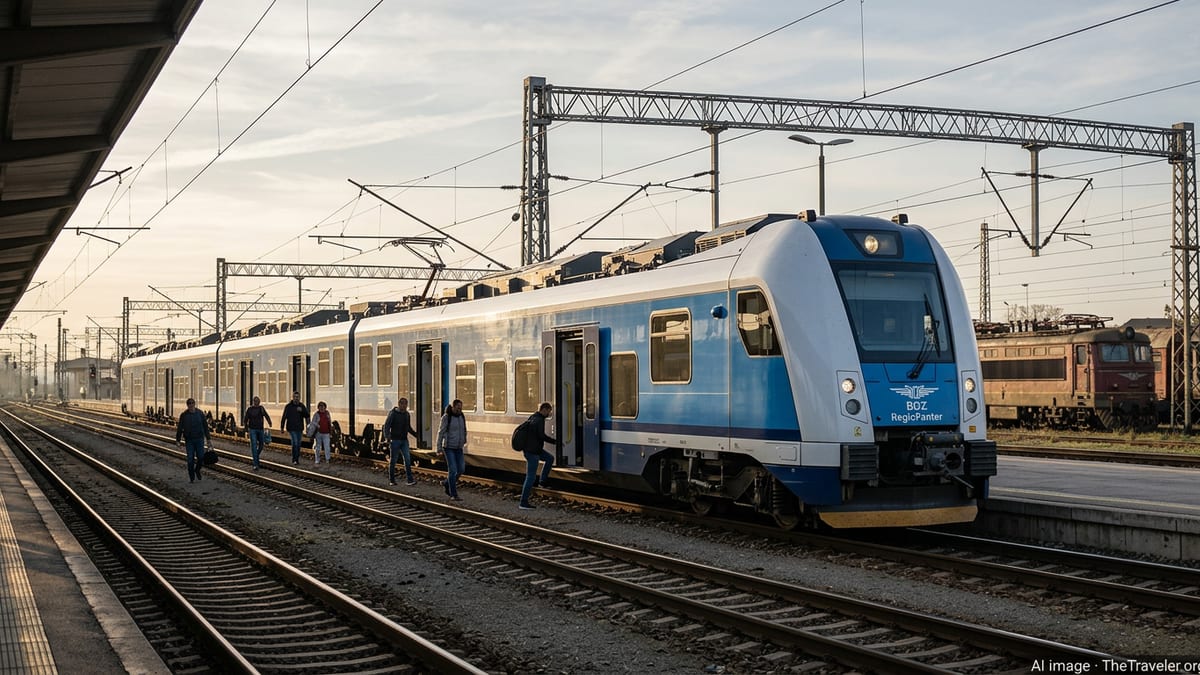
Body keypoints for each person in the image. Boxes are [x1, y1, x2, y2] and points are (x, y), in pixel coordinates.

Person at [518, 402, 558, 510]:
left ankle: (542, 481)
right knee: (530, 477)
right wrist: (555, 441)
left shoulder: (533, 417)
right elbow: (541, 436)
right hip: (533, 452)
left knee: (549, 458)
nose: (549, 413)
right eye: (549, 411)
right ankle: (523, 502)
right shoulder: (539, 420)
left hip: (533, 450)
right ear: (544, 410)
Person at [436, 399, 467, 501]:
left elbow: (464, 429)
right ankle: (453, 494)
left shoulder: (461, 416)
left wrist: (464, 439)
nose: (459, 410)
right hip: (449, 447)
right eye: (458, 408)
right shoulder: (446, 417)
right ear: (453, 407)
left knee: (461, 469)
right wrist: (439, 448)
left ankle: (446, 483)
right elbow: (440, 432)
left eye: (460, 408)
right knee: (453, 470)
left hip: (458, 447)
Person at [383, 397, 419, 486]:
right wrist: (387, 437)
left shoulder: (407, 414)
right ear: (399, 404)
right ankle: (392, 480)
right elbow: (386, 426)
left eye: (405, 404)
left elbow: (408, 427)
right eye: (402, 404)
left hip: (404, 440)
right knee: (393, 460)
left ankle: (409, 480)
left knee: (407, 460)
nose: (404, 406)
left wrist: (416, 435)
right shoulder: (393, 414)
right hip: (394, 440)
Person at [175, 398, 211, 483]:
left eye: (192, 403)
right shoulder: (184, 415)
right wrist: (178, 440)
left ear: (195, 404)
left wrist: (208, 439)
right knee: (190, 459)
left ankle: (197, 470)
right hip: (189, 440)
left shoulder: (200, 414)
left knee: (201, 457)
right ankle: (192, 477)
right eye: (189, 404)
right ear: (187, 405)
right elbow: (180, 428)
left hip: (199, 439)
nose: (191, 405)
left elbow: (205, 427)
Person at [242, 395, 272, 470]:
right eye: (255, 401)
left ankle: (255, 457)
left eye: (257, 401)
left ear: (259, 402)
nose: (256, 402)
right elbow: (245, 419)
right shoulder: (250, 409)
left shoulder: (261, 408)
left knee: (261, 444)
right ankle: (256, 464)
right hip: (252, 430)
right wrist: (246, 429)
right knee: (254, 446)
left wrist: (269, 422)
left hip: (260, 429)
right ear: (253, 402)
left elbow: (266, 415)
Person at [280, 392, 310, 465]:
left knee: (298, 444)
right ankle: (294, 459)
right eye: (295, 397)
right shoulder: (288, 407)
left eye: (298, 397)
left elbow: (307, 415)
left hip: (299, 428)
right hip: (291, 428)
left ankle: (296, 459)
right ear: (292, 397)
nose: (296, 398)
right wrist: (282, 427)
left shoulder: (302, 406)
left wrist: (302, 411)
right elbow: (284, 417)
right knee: (295, 443)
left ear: (299, 398)